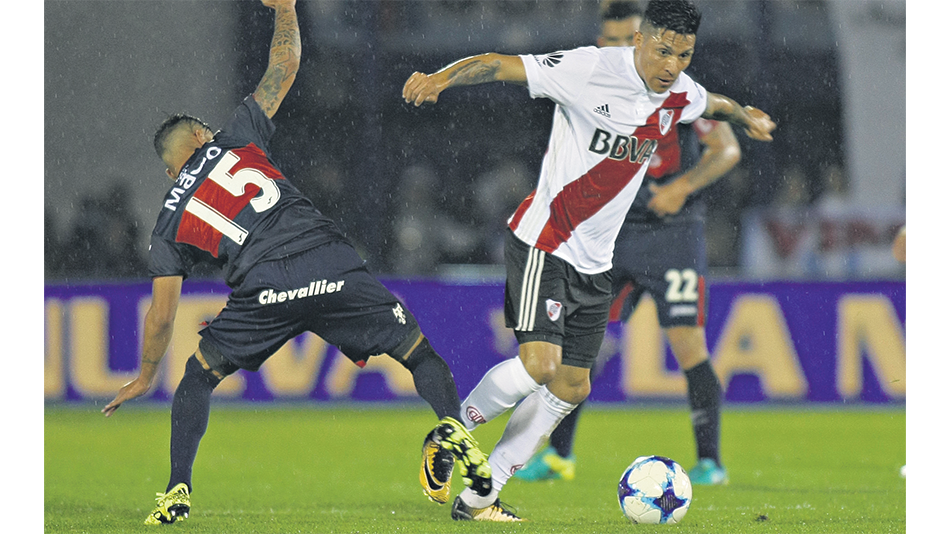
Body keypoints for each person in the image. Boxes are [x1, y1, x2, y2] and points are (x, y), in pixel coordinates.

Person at [101, 0, 491, 525]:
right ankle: (450, 428)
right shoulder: (235, 139)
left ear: (172, 173)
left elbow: (162, 316)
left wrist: (147, 375)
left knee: (197, 378)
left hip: (263, 288)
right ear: (200, 138)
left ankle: (176, 491)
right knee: (420, 355)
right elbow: (283, 66)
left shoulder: (167, 221)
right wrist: (285, 9)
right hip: (328, 261)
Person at [402, 0, 775, 522]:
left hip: (596, 264)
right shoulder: (591, 69)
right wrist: (442, 77)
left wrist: (745, 115)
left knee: (574, 385)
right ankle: (452, 434)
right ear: (640, 40)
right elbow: (499, 62)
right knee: (541, 366)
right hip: (545, 242)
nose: (671, 65)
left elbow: (714, 104)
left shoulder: (680, 93)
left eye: (684, 54)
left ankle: (482, 497)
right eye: (663, 50)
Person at [514, 0, 738, 487]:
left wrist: (682, 187)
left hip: (672, 235)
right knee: (580, 349)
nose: (617, 48)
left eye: (624, 38)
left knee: (687, 343)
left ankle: (710, 461)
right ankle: (557, 456)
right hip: (611, 233)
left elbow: (727, 148)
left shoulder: (675, 90)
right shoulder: (596, 80)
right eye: (610, 40)